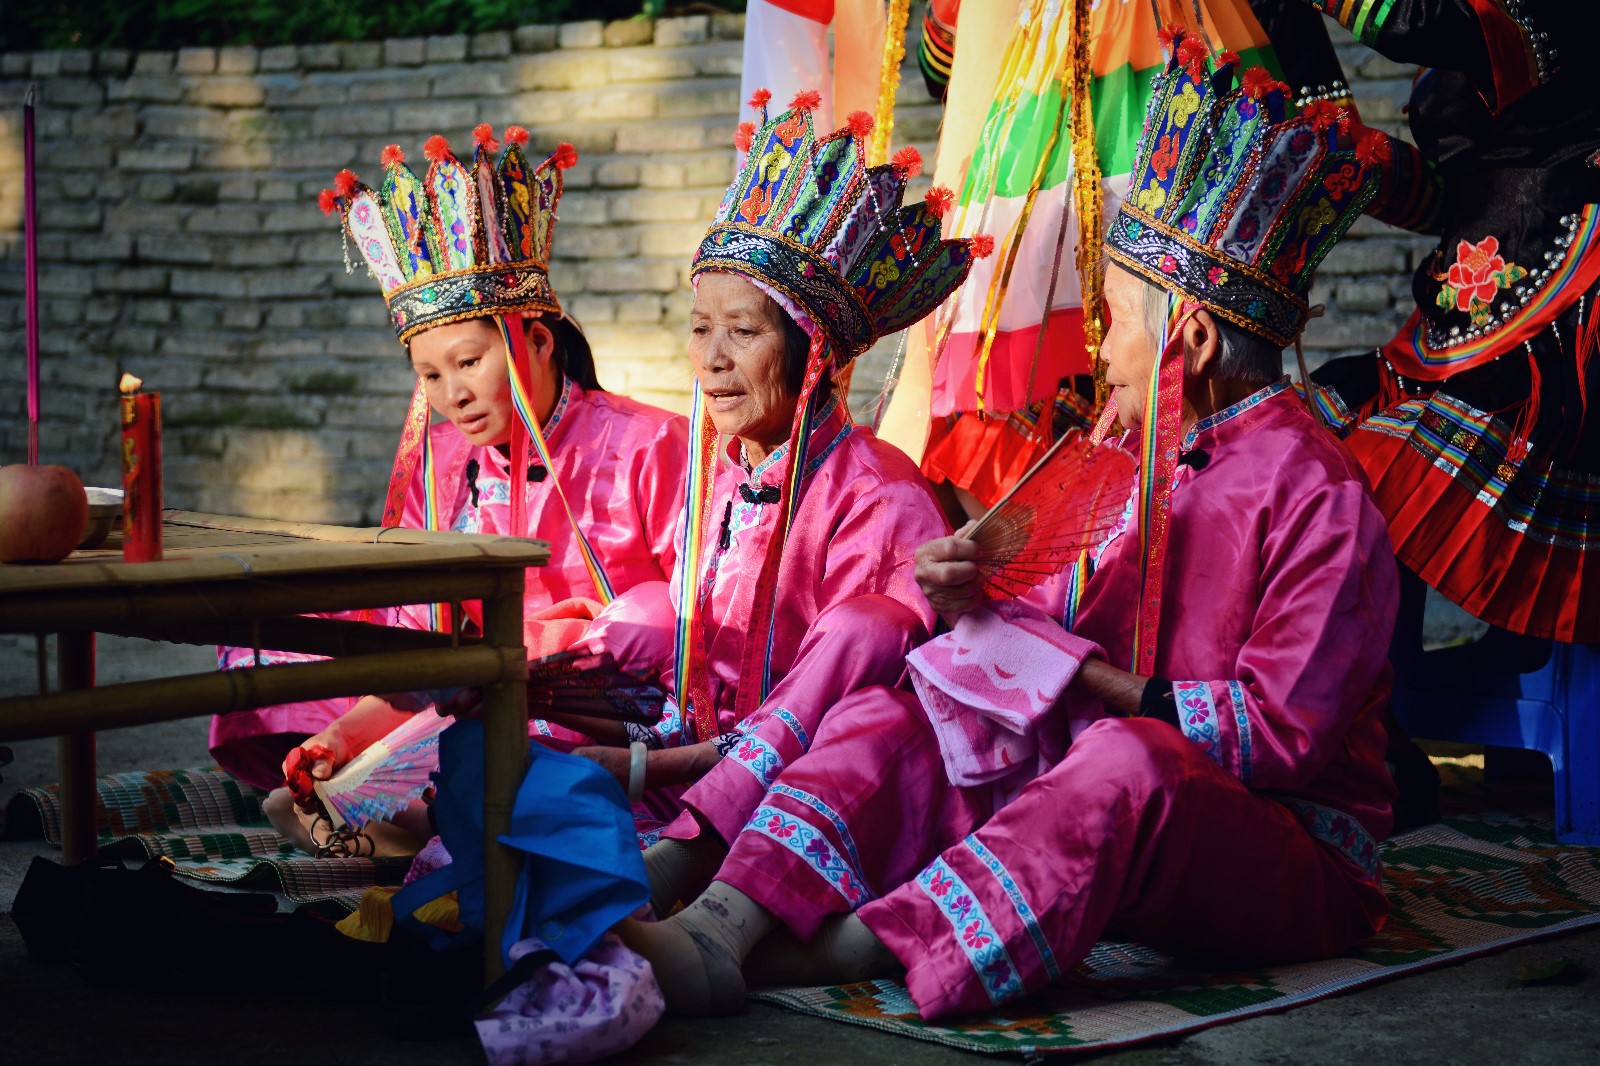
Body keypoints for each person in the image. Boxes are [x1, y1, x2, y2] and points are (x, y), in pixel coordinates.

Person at [620, 37, 1402, 1017]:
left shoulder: (1321, 494)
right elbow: (1037, 624)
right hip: (1094, 776)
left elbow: (1282, 737)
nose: (1100, 350)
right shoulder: (1122, 453)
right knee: (905, 705)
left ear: (1193, 339)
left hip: (1281, 845)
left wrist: (1092, 682)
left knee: (1128, 758)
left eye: (1116, 320)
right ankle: (718, 923)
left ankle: (826, 956)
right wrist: (973, 596)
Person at [558, 92, 989, 895]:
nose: (712, 360)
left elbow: (856, 718)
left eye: (745, 331)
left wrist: (645, 766)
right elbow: (693, 691)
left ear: (810, 352)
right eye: (700, 328)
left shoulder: (881, 496)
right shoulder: (725, 476)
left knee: (867, 624)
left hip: (822, 795)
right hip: (693, 762)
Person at [217, 128, 686, 846]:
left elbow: (686, 624)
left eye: (469, 362)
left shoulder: (649, 444)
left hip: (603, 704)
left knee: (645, 615)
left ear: (538, 341)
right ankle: (378, 794)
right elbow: (420, 649)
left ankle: (414, 817)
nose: (453, 394)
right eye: (431, 376)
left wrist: (546, 649)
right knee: (282, 631)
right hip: (469, 693)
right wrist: (339, 738)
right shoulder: (438, 463)